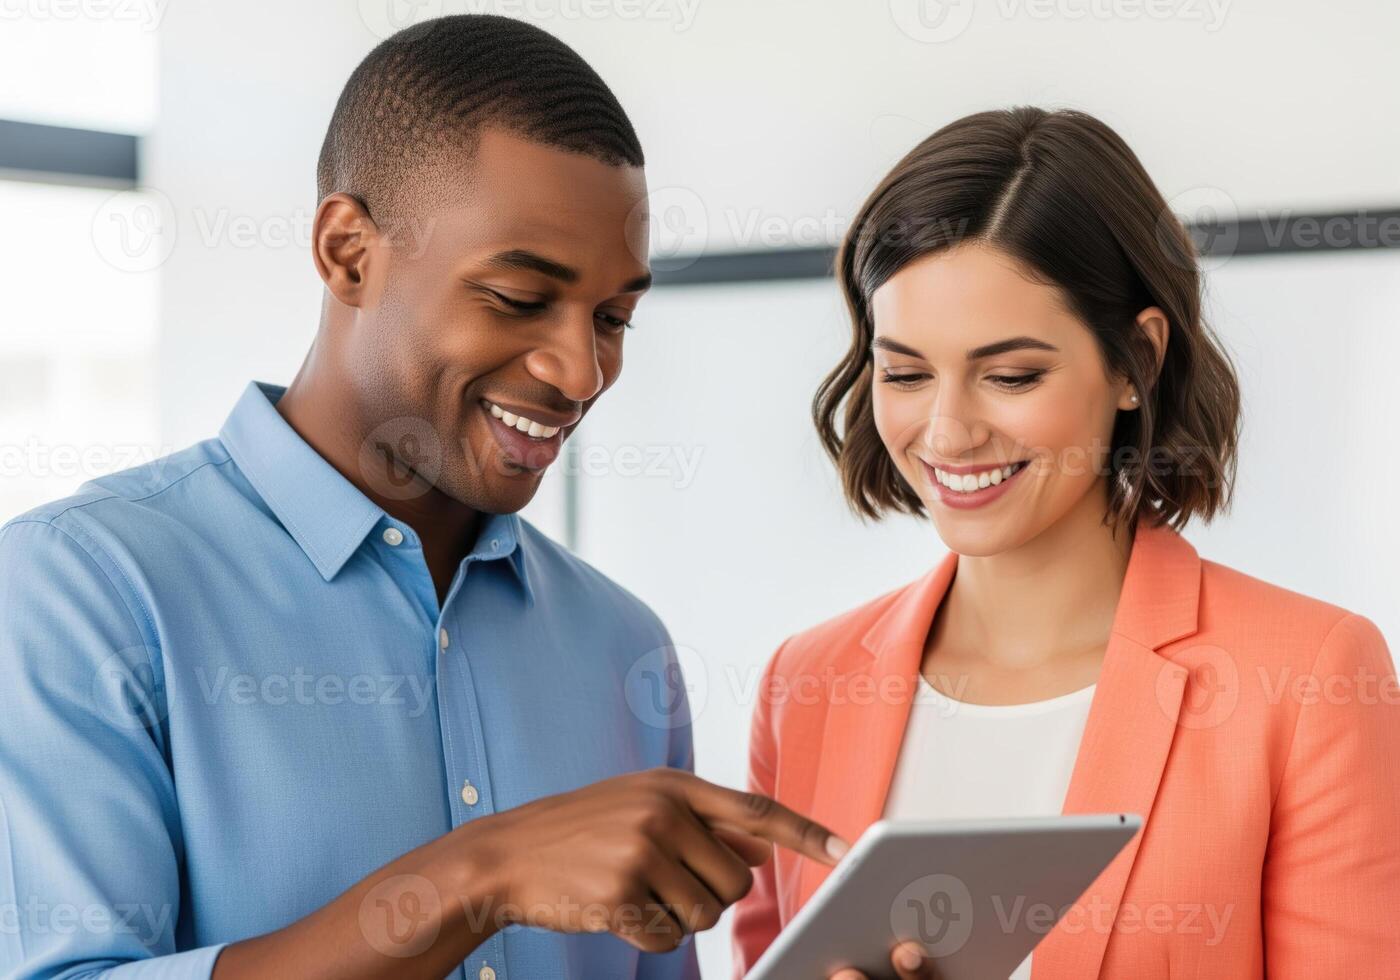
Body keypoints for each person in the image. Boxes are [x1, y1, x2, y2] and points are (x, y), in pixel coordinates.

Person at [0, 16, 846, 980]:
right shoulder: (78, 590)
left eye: (614, 318)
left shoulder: (623, 645)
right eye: (520, 298)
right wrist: (480, 875)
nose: (581, 371)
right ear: (349, 251)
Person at [731, 106, 1400, 979]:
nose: (948, 431)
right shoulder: (805, 684)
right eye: (903, 372)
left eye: (1010, 375)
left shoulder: (1311, 677)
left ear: (1136, 362)